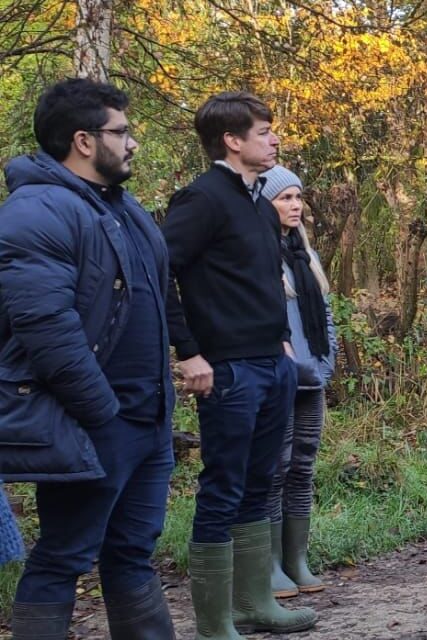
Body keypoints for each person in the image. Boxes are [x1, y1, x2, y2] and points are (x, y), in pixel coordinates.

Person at [0, 78, 176, 639]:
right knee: (64, 556)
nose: (132, 144)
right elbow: (44, 328)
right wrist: (102, 413)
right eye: (121, 132)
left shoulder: (125, 208)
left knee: (131, 553)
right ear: (82, 140)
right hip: (94, 422)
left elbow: (159, 297)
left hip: (147, 419)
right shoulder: (37, 211)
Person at [163, 92, 316, 637]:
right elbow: (159, 273)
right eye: (264, 131)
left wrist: (279, 340)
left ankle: (256, 604)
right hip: (225, 370)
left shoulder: (256, 200)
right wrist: (189, 352)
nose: (274, 139)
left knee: (260, 481)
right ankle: (213, 623)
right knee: (224, 486)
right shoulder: (201, 200)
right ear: (232, 140)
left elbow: (257, 282)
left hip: (271, 365)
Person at [259, 166, 337, 599]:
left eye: (297, 197)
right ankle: (269, 566)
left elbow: (325, 316)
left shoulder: (306, 255)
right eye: (283, 198)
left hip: (313, 377)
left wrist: (328, 362)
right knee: (277, 466)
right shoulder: (259, 255)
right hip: (279, 376)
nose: (294, 206)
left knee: (304, 464)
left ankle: (296, 559)